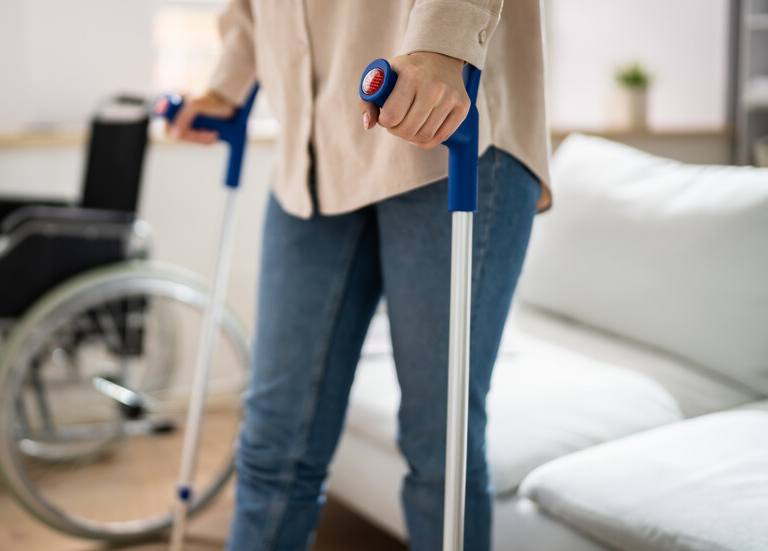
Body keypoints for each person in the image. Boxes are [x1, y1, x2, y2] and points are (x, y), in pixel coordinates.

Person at [168, 1, 551, 550]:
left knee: (440, 446)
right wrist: (226, 84)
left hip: (448, 124)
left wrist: (445, 40)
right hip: (313, 151)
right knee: (273, 441)